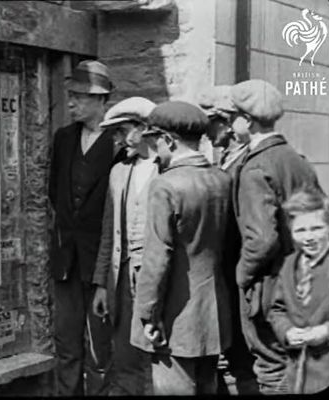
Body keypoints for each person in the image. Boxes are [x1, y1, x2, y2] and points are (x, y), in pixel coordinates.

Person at [131, 101, 233, 395]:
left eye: (156, 142)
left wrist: (148, 316)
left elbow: (156, 258)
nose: (156, 151)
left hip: (175, 319)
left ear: (168, 140)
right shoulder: (222, 179)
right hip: (213, 316)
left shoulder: (165, 185)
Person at [229, 79, 323, 394]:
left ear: (248, 121)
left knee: (271, 369)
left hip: (269, 287)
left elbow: (261, 240)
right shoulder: (297, 160)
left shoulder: (256, 168)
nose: (230, 124)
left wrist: (241, 276)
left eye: (234, 117)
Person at [48, 59, 118, 396]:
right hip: (67, 260)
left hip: (101, 263)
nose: (71, 102)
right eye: (70, 95)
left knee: (99, 350)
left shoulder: (119, 144)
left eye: (79, 96)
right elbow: (54, 193)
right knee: (66, 344)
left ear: (102, 100)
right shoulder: (64, 139)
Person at [91, 96, 158, 396]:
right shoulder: (119, 172)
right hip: (121, 284)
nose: (117, 139)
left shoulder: (167, 169)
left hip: (156, 283)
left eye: (122, 131)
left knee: (156, 363)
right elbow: (108, 232)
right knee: (126, 358)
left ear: (144, 128)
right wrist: (101, 285)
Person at [198, 86, 258, 395]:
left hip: (240, 277)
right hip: (224, 275)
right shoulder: (224, 162)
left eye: (211, 123)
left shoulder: (247, 165)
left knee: (244, 359)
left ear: (229, 123)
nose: (206, 132)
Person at [268, 189, 329, 394]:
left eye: (316, 228)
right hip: (299, 374)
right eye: (301, 230)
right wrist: (286, 331)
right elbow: (276, 309)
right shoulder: (290, 265)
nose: (309, 237)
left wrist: (327, 332)